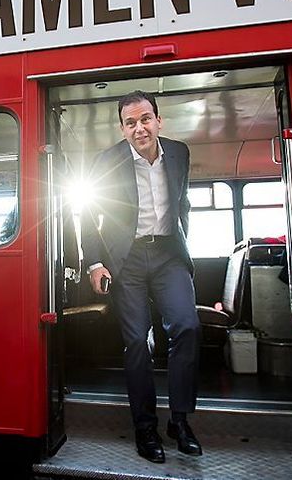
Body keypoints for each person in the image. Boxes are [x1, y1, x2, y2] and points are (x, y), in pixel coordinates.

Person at [81, 90, 201, 464]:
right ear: (123, 127)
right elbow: (88, 212)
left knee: (188, 327)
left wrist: (184, 239)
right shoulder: (108, 160)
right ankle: (144, 427)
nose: (139, 128)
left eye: (145, 119)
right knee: (137, 343)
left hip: (168, 254)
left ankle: (179, 421)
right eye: (130, 123)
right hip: (127, 259)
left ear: (159, 120)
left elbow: (181, 201)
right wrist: (95, 262)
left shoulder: (179, 152)